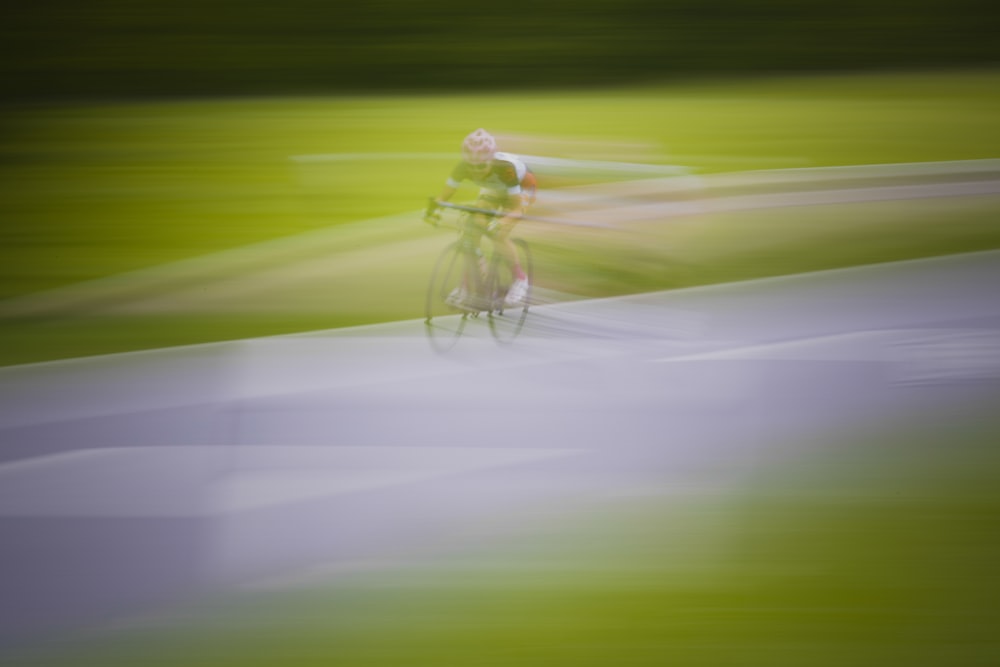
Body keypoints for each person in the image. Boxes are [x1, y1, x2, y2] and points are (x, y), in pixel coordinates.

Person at [424, 129, 536, 307]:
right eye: (471, 166)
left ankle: (520, 278)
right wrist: (434, 209)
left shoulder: (505, 169)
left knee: (498, 234)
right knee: (473, 229)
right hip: (494, 188)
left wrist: (501, 222)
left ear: (491, 160)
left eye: (481, 166)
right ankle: (468, 285)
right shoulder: (462, 167)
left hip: (521, 188)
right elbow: (444, 196)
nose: (476, 172)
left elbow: (515, 208)